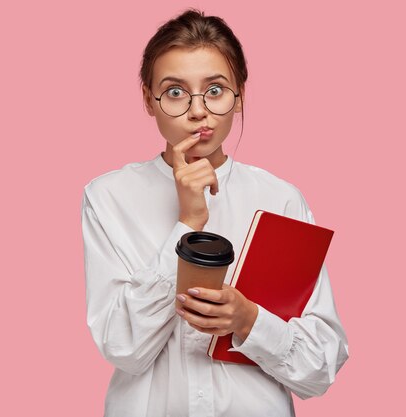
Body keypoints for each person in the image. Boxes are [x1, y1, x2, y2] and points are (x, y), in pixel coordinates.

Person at [81, 8, 349, 417]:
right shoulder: (109, 197)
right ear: (147, 101)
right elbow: (123, 348)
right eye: (174, 92)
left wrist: (249, 321)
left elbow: (321, 367)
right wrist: (187, 224)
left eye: (215, 90)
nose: (197, 111)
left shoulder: (281, 200)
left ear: (239, 95)